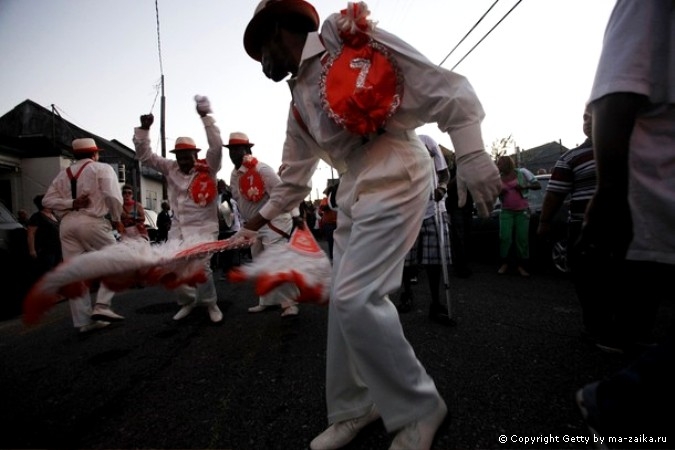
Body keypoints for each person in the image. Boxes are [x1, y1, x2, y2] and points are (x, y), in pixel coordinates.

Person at [235, 2, 501, 448]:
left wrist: (471, 152)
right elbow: (293, 180)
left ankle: (419, 409)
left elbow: (444, 86)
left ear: (278, 30)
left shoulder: (349, 40)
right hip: (354, 187)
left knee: (357, 296)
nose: (261, 60)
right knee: (343, 303)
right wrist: (252, 224)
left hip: (396, 166)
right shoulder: (297, 104)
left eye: (260, 46)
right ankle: (355, 407)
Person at [575, 0, 675, 440]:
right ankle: (618, 396)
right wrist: (610, 193)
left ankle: (621, 394)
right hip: (654, 192)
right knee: (612, 278)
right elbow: (615, 95)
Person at [133, 96, 224, 323]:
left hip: (204, 229)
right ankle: (188, 301)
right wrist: (144, 130)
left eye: (188, 157)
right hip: (178, 229)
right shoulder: (170, 167)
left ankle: (211, 304)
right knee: (171, 268)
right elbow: (145, 156)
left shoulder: (209, 168)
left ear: (196, 155)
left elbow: (216, 146)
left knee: (201, 267)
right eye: (180, 157)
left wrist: (205, 118)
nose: (184, 161)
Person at [42, 137, 125, 333]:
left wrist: (71, 203)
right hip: (93, 222)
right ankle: (102, 306)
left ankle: (83, 323)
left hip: (67, 225)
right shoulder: (102, 169)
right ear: (94, 154)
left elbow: (47, 200)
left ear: (75, 155)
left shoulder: (63, 174)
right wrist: (116, 218)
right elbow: (112, 196)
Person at [537, 109, 601, 342]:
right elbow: (554, 195)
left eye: (594, 115)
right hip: (582, 227)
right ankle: (595, 327)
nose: (588, 121)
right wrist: (544, 223)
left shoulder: (633, 148)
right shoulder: (570, 158)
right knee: (586, 279)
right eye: (585, 117)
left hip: (626, 227)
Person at [227, 131, 299, 317]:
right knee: (260, 261)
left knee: (277, 261)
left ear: (248, 150)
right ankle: (266, 301)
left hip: (275, 222)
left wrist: (296, 215)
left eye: (238, 149)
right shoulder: (234, 176)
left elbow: (284, 193)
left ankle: (290, 304)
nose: (234, 153)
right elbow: (239, 200)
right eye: (231, 150)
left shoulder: (263, 169)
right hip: (253, 227)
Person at [396, 134, 452, 326]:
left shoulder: (427, 141)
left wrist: (442, 188)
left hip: (433, 210)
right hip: (408, 213)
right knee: (407, 260)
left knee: (434, 261)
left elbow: (444, 173)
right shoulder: (393, 147)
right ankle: (407, 293)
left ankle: (436, 302)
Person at [496, 155, 540, 277]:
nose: (498, 166)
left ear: (506, 164)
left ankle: (522, 267)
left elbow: (537, 185)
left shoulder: (522, 172)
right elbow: (493, 193)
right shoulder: (498, 178)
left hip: (522, 211)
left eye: (499, 164)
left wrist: (524, 186)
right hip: (506, 212)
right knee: (505, 238)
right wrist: (499, 192)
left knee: (522, 239)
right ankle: (505, 264)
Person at [442, 146, 474, 278]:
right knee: (458, 237)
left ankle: (464, 264)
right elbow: (446, 187)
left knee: (466, 236)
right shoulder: (450, 171)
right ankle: (460, 267)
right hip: (455, 208)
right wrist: (458, 176)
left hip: (467, 207)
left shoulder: (470, 171)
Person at [26, 194, 62, 279]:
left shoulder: (55, 215)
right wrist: (32, 250)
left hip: (57, 248)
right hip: (46, 250)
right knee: (47, 272)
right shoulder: (37, 216)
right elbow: (31, 234)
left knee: (57, 271)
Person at [318, 184, 337, 261]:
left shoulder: (337, 199)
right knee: (331, 241)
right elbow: (322, 208)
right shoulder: (325, 200)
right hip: (329, 224)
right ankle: (333, 257)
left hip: (336, 223)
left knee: (337, 241)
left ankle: (336, 256)